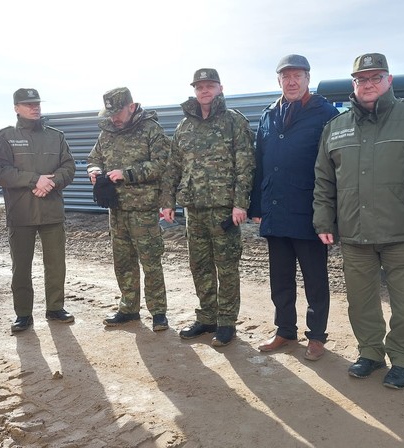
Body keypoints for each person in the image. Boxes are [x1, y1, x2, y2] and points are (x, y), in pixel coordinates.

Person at [313, 53, 404, 389]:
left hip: (402, 231)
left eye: (375, 77)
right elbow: (324, 180)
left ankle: (403, 358)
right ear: (354, 84)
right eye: (361, 79)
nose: (368, 84)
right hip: (354, 232)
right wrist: (324, 220)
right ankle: (370, 352)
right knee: (361, 302)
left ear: (389, 80)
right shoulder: (336, 127)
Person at [248, 55, 338, 360]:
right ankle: (285, 330)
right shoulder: (268, 115)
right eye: (286, 77)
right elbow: (260, 162)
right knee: (280, 279)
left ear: (308, 79)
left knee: (315, 280)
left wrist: (329, 213)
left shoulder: (325, 113)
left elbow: (334, 165)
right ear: (278, 81)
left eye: (297, 76)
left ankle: (316, 336)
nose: (292, 82)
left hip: (309, 211)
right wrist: (257, 205)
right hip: (276, 210)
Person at [160, 69, 255, 347]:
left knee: (226, 267)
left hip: (224, 210)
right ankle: (206, 318)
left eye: (210, 86)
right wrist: (167, 201)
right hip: (194, 209)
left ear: (220, 88)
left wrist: (240, 203)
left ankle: (226, 322)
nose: (204, 90)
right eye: (199, 86)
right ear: (194, 90)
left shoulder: (234, 121)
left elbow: (246, 165)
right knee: (199, 265)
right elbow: (173, 166)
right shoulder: (184, 126)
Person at [0, 88, 76, 333]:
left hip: (51, 211)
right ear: (16, 108)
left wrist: (51, 182)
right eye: (28, 104)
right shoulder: (5, 138)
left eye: (37, 103)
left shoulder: (56, 137)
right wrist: (34, 180)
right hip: (21, 212)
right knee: (21, 266)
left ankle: (55, 308)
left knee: (56, 264)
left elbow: (69, 167)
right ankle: (23, 314)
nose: (34, 107)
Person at [87, 87, 170, 332]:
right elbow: (94, 158)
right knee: (123, 261)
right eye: (110, 114)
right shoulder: (107, 132)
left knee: (150, 261)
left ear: (131, 107)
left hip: (143, 209)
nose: (114, 118)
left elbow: (162, 165)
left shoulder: (151, 129)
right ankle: (128, 309)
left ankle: (158, 312)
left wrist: (127, 174)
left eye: (118, 112)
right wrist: (94, 170)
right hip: (116, 209)